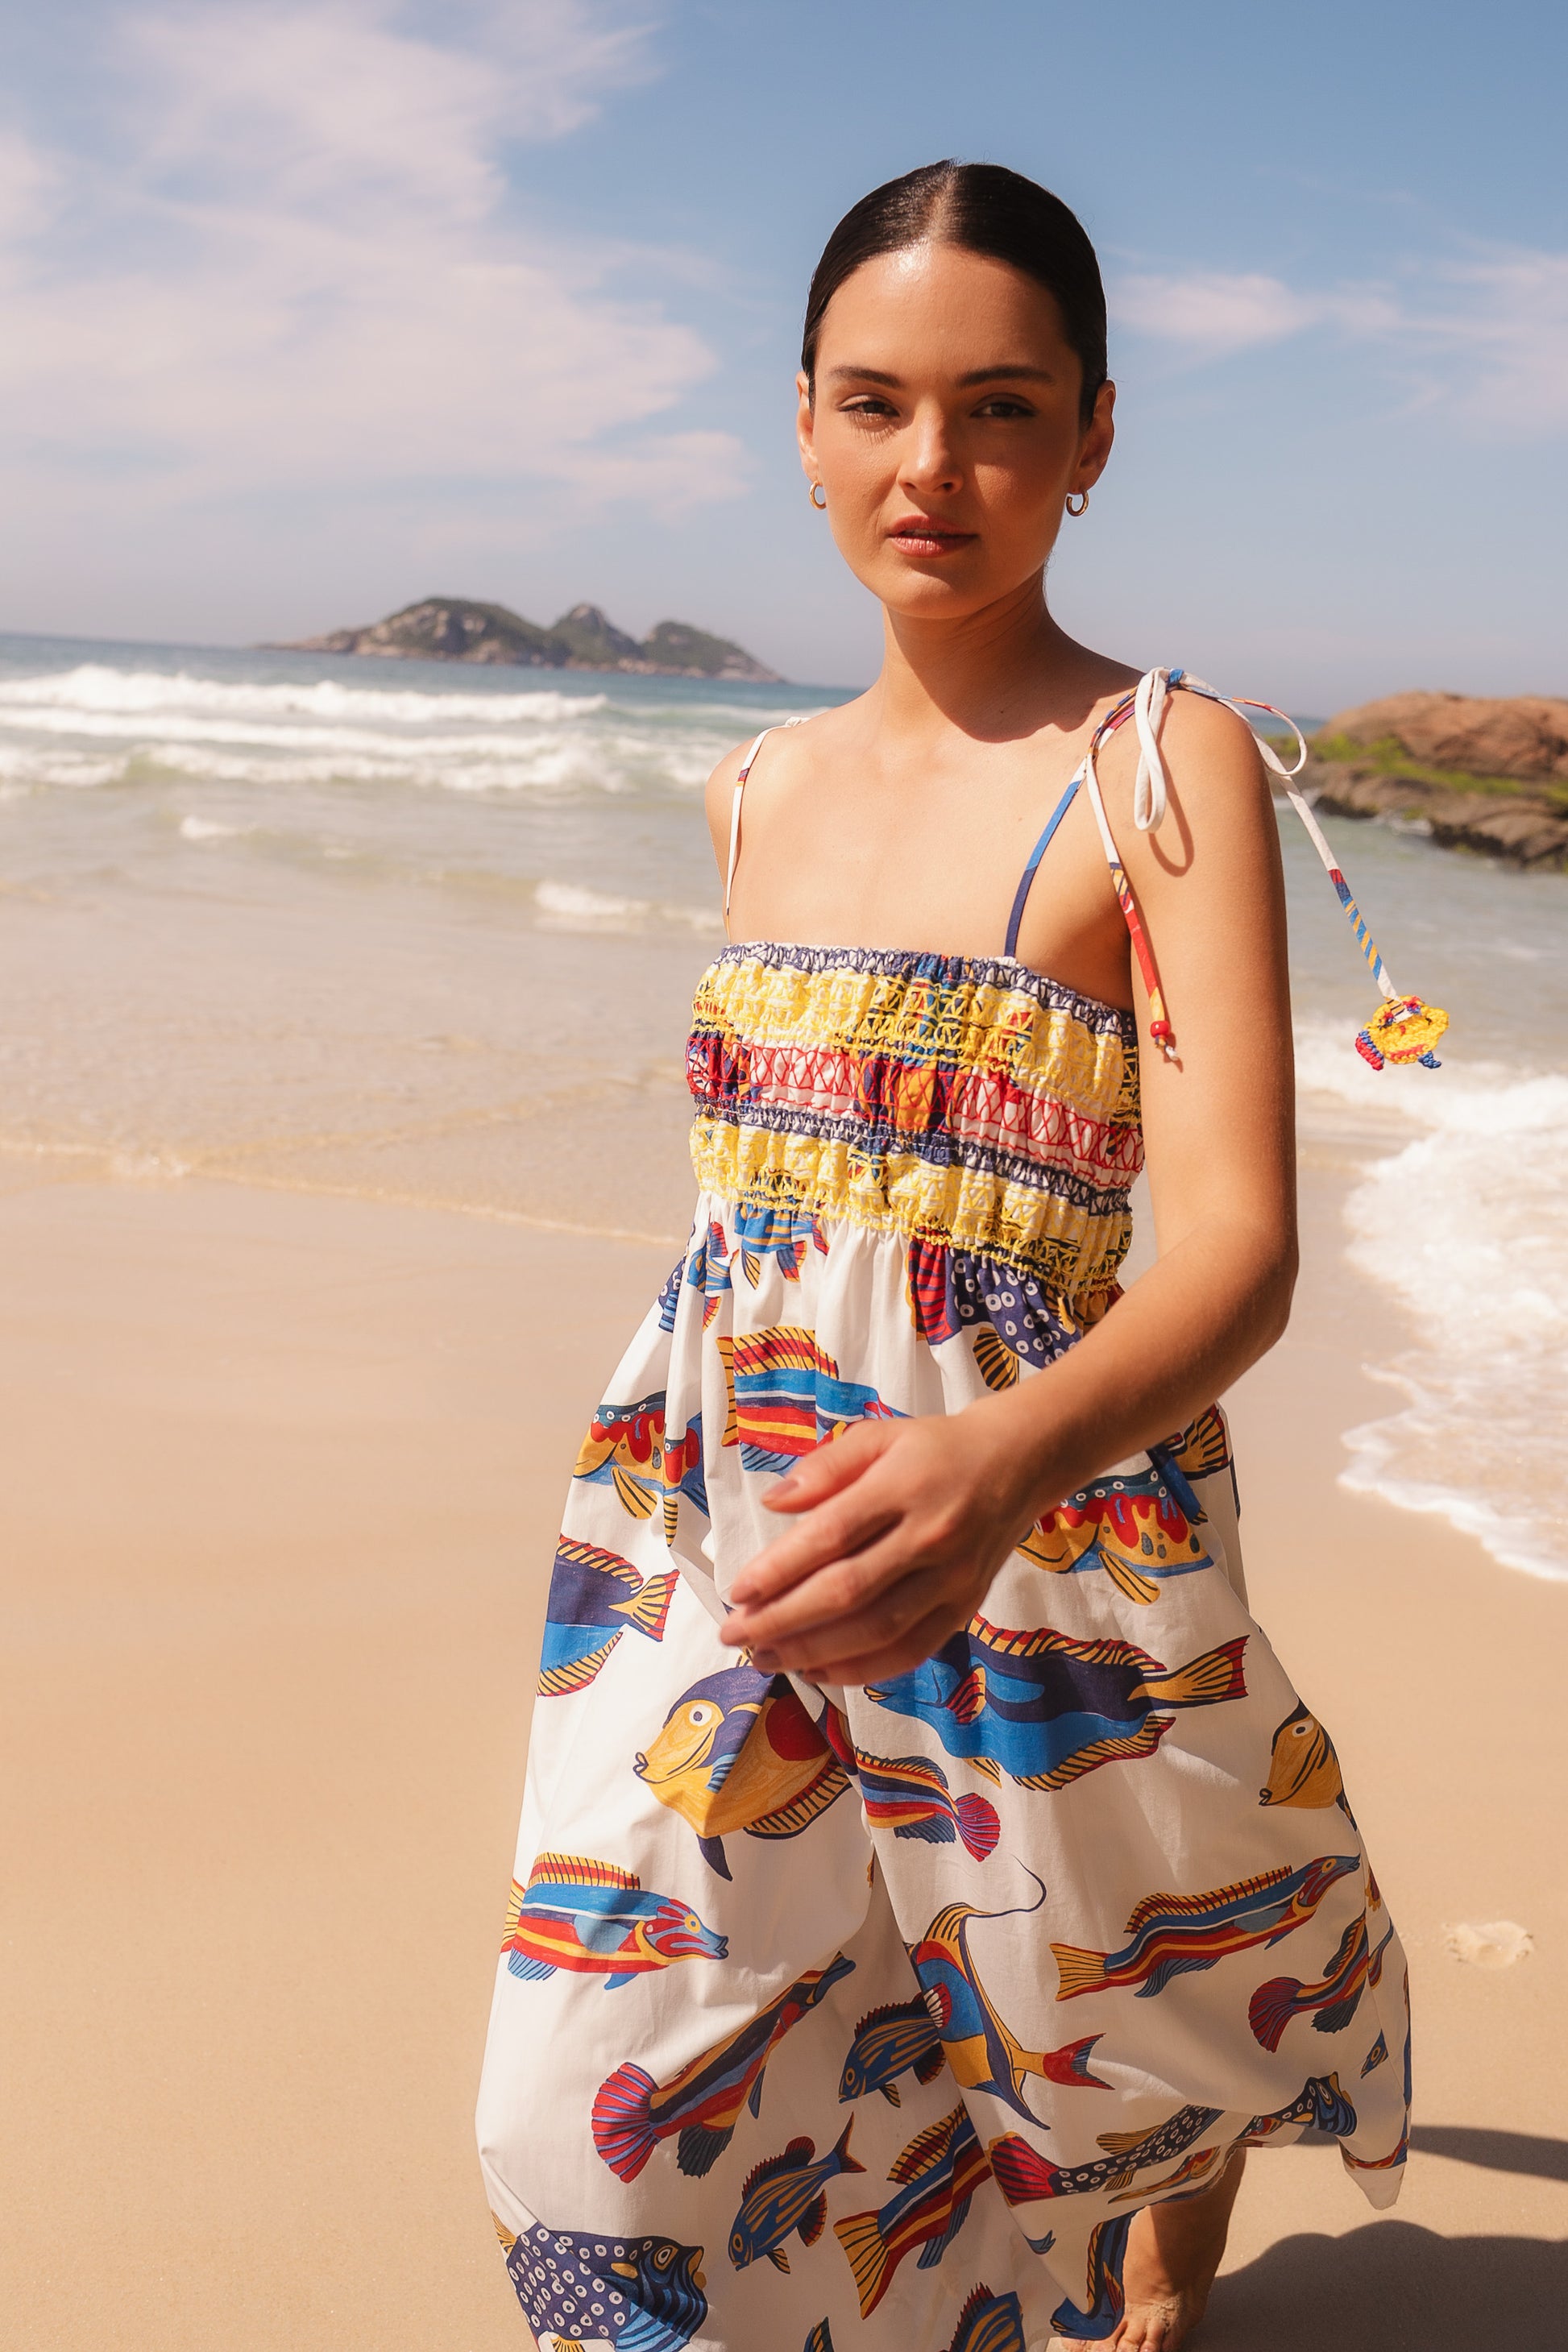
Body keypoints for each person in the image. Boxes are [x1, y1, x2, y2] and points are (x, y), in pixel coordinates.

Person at [477, 161, 1411, 2352]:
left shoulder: (1154, 764)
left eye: (1001, 409)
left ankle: (1161, 2212)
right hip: (724, 1510)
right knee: (596, 2112)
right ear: (801, 425)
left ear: (1093, 436)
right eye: (875, 404)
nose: (931, 467)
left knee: (1092, 2021)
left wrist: (992, 1467)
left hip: (1054, 1504)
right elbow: (763, 1234)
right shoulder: (750, 786)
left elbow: (1241, 1247)